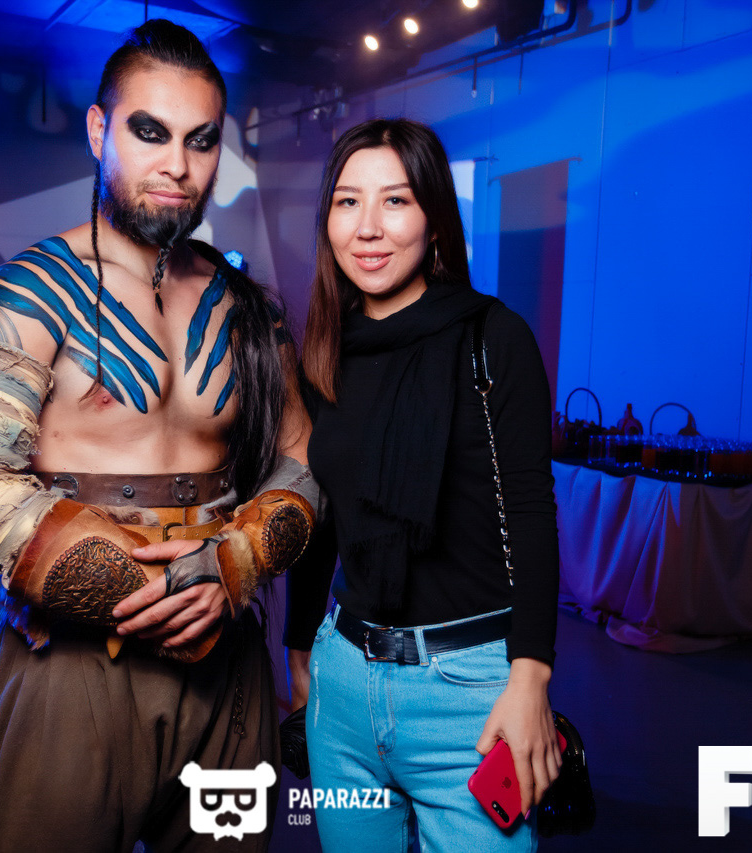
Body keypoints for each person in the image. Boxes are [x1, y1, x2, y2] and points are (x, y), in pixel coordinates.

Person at [0, 20, 319, 853]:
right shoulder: (26, 292)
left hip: (226, 659)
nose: (178, 166)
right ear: (99, 131)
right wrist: (142, 588)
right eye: (150, 132)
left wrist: (234, 563)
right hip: (73, 663)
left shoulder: (248, 309)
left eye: (201, 140)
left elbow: (300, 459)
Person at [286, 118, 562, 852]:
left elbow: (531, 512)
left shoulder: (492, 337)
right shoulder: (325, 350)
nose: (368, 228)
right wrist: (300, 651)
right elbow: (324, 512)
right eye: (347, 202)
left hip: (470, 694)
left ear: (435, 218)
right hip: (343, 683)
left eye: (396, 201)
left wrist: (530, 678)